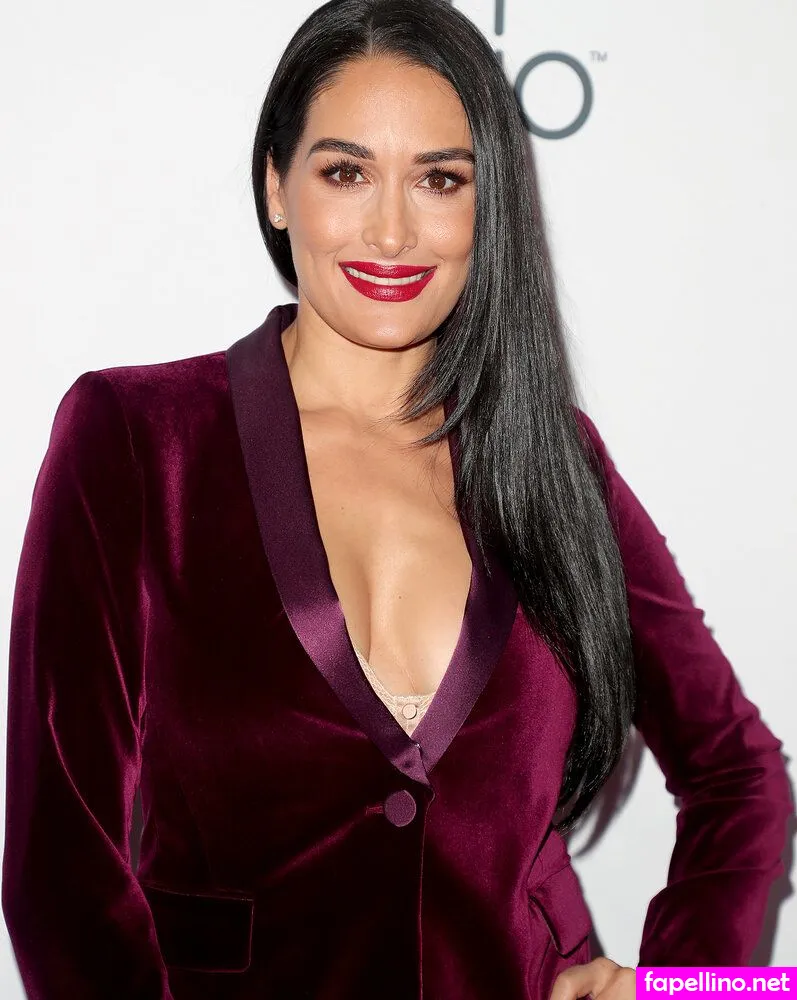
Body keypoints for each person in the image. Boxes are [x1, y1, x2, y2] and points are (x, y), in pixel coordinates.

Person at [2, 1, 792, 998]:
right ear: (275, 186)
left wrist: (678, 987)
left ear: (486, 205)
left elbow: (738, 774)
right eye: (345, 173)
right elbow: (60, 868)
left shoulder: (552, 459)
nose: (390, 230)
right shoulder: (134, 439)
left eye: (439, 179)